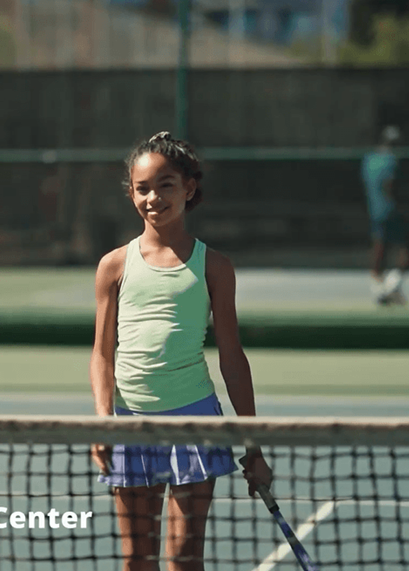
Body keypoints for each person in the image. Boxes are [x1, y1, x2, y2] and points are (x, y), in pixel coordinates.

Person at [89, 132, 273, 571]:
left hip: (195, 423)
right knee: (136, 561)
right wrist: (102, 420)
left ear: (189, 188)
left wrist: (253, 445)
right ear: (131, 192)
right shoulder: (113, 266)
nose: (154, 197)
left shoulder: (215, 267)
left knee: (185, 559)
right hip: (130, 426)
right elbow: (101, 353)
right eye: (143, 188)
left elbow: (232, 358)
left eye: (166, 185)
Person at [361, 125, 409, 306]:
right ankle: (392, 287)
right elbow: (391, 186)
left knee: (381, 248)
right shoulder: (392, 161)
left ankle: (382, 289)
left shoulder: (369, 159)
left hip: (375, 211)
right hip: (391, 211)